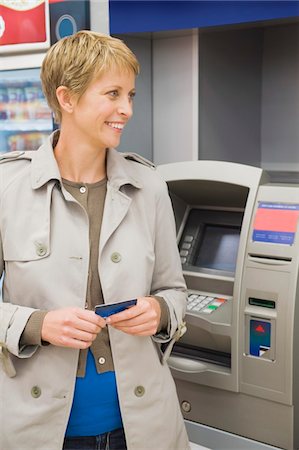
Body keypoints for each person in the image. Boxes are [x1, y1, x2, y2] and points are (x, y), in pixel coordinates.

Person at [0, 31, 190, 450]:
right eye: (113, 94)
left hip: (142, 427)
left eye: (131, 95)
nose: (126, 109)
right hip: (38, 430)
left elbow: (174, 291)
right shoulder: (6, 188)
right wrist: (36, 324)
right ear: (67, 99)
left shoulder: (149, 185)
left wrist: (158, 312)